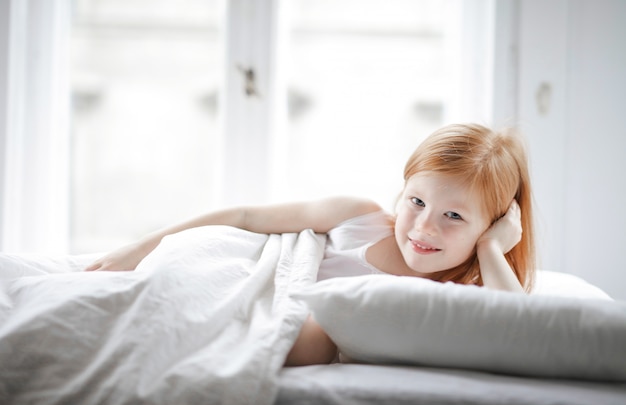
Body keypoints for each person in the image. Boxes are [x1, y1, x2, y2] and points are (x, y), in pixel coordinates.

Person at [86, 123, 536, 367]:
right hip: (228, 282)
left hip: (257, 334)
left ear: (494, 225)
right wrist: (137, 249)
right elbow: (245, 218)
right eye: (416, 201)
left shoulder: (462, 297)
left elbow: (523, 335)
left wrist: (493, 253)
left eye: (453, 216)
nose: (422, 227)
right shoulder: (360, 219)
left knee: (322, 336)